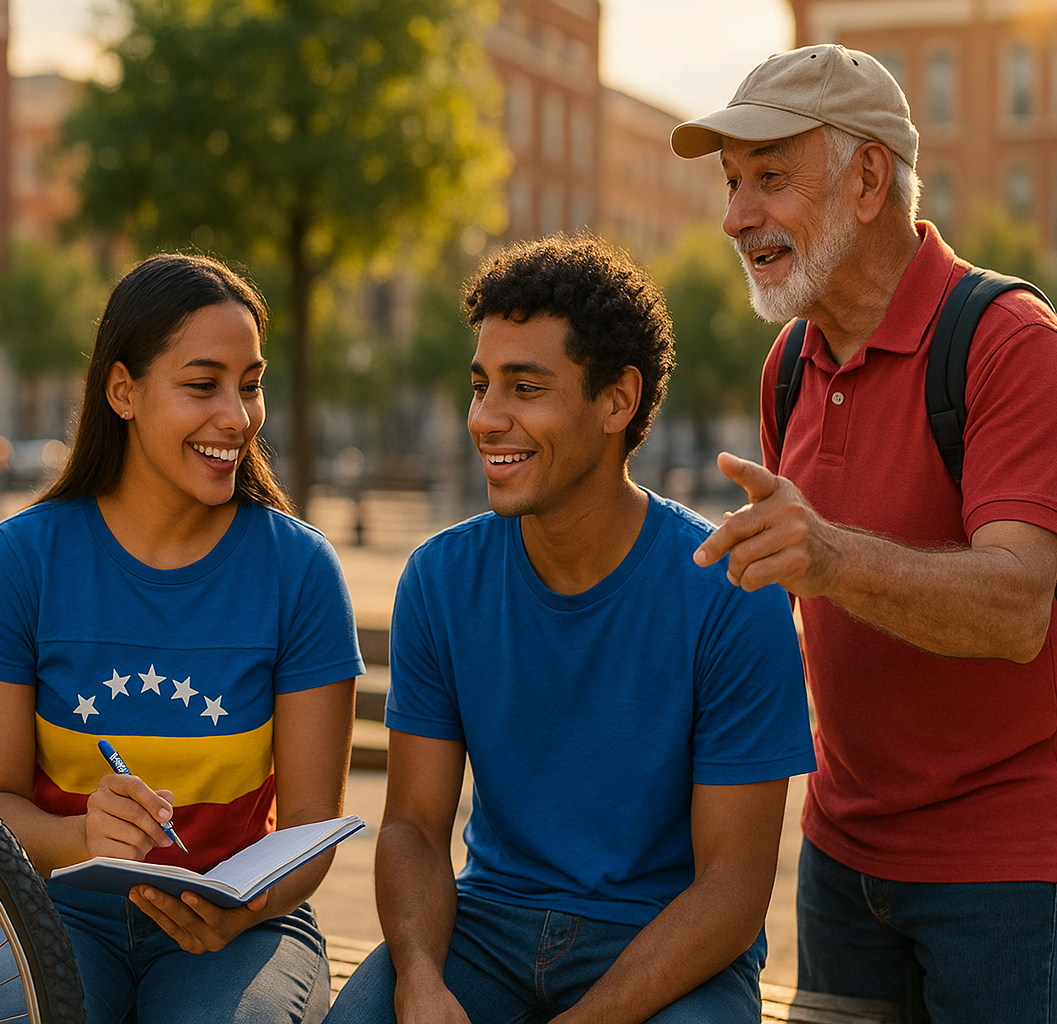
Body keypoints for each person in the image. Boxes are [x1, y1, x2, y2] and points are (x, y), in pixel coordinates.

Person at [673, 43, 1057, 1023]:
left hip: (1001, 873)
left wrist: (826, 555)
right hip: (842, 856)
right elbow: (798, 597)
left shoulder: (1009, 344)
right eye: (732, 183)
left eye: (769, 178)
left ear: (868, 179)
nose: (736, 215)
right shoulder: (789, 361)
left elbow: (1014, 607)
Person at [325, 235, 816, 1024]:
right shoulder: (442, 580)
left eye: (526, 388)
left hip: (665, 947)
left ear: (617, 401)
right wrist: (418, 977)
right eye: (481, 385)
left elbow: (732, 888)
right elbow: (414, 827)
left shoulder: (730, 594)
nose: (487, 419)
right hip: (485, 931)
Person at [0, 252, 363, 1024]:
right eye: (203, 385)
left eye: (250, 384)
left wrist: (242, 912)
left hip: (245, 929)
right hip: (55, 912)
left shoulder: (299, 569)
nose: (237, 417)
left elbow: (311, 828)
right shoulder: (23, 558)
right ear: (123, 391)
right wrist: (82, 835)